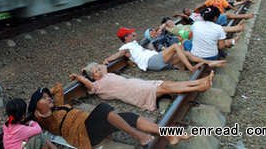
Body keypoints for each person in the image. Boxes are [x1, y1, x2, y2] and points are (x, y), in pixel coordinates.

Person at [28, 84, 189, 149]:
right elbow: (33, 127)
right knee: (104, 109)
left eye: (47, 96)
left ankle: (170, 135)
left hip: (92, 125)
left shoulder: (58, 106)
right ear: (37, 109)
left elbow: (58, 88)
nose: (48, 98)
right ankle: (141, 137)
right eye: (43, 98)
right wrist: (37, 112)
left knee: (128, 116)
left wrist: (46, 94)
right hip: (83, 135)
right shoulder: (44, 119)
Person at [70, 62, 214, 111]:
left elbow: (103, 65)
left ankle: (199, 82)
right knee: (165, 88)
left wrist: (88, 68)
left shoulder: (105, 74)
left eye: (97, 69)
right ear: (92, 77)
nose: (98, 71)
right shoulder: (96, 86)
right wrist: (80, 76)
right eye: (95, 72)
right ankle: (199, 87)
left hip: (138, 84)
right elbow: (89, 84)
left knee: (167, 84)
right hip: (135, 93)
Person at [103, 27, 226, 72]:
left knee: (186, 53)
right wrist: (107, 60)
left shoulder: (133, 43)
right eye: (131, 33)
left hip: (155, 58)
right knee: (176, 46)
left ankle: (209, 62)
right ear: (126, 37)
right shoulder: (125, 47)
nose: (134, 34)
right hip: (151, 61)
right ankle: (191, 68)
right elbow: (118, 54)